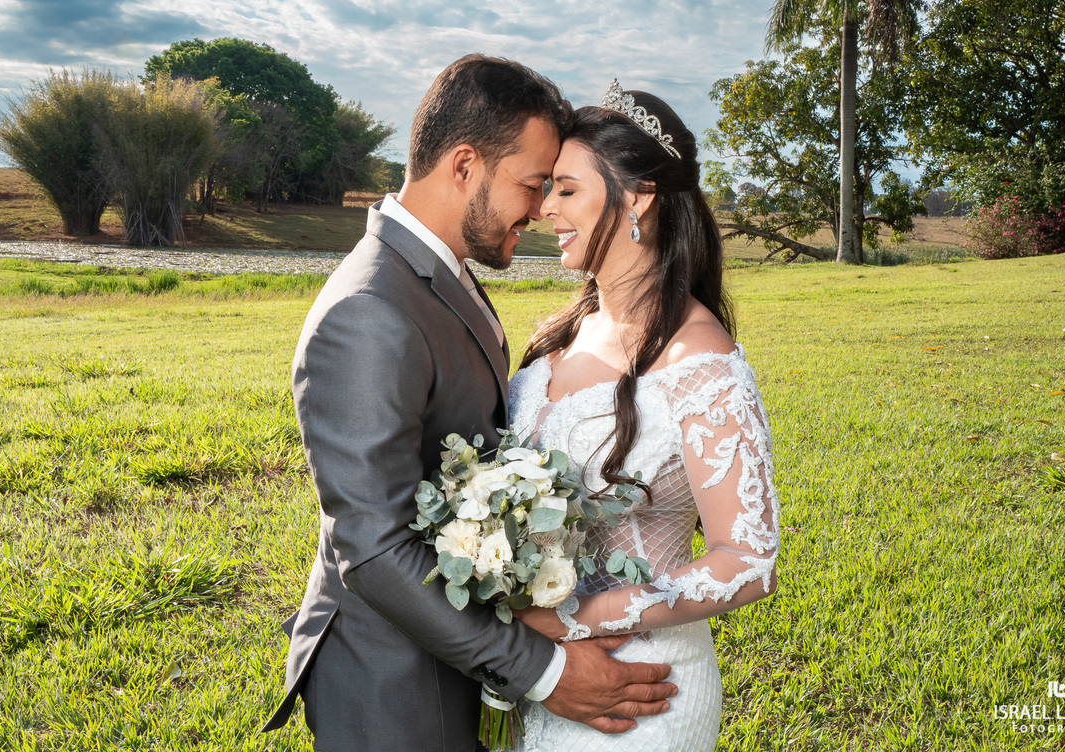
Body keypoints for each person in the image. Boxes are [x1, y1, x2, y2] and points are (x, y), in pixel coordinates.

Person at [261, 57, 679, 752]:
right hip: (391, 679)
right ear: (464, 165)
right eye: (531, 184)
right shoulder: (367, 311)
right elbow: (371, 548)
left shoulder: (436, 271)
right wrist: (543, 672)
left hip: (451, 646)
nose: (543, 209)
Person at [507, 81, 781, 751]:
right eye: (547, 189)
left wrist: (573, 621)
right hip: (538, 682)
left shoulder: (702, 362)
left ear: (638, 194)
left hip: (639, 693)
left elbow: (749, 558)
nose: (547, 209)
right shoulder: (560, 334)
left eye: (567, 189)